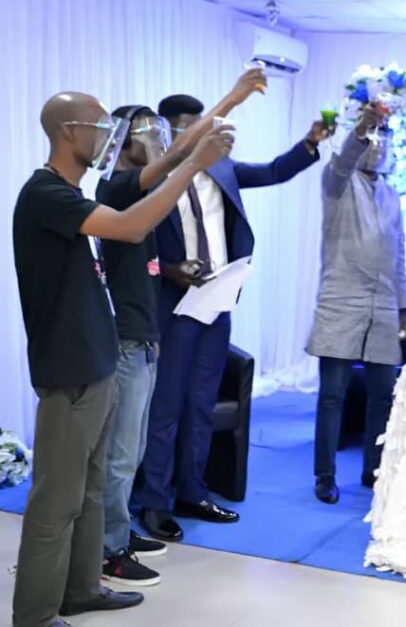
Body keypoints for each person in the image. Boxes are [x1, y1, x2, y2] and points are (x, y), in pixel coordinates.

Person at [12, 91, 233, 627]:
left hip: (97, 361)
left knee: (88, 491)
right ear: (69, 130)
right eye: (98, 126)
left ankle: (82, 588)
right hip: (70, 370)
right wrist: (193, 166)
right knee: (56, 498)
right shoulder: (45, 194)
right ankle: (36, 613)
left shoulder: (68, 193)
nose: (108, 136)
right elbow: (133, 225)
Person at [136, 91, 332, 542]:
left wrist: (309, 144)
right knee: (167, 407)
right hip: (174, 305)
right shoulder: (154, 179)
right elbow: (138, 243)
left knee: (201, 403)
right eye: (190, 124)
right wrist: (170, 271)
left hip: (217, 302)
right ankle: (155, 501)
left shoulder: (222, 170)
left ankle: (193, 491)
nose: (202, 130)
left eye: (202, 122)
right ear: (169, 130)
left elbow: (272, 172)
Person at [96, 70, 263, 587]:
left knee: (165, 421)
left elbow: (180, 155)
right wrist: (232, 98)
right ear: (123, 143)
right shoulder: (119, 183)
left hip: (158, 323)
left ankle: (160, 510)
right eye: (149, 133)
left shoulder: (147, 179)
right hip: (137, 328)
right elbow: (182, 156)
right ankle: (120, 537)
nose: (159, 142)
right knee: (132, 443)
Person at [307, 105, 406, 503]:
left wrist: (404, 306)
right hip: (341, 300)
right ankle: (325, 475)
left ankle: (374, 470)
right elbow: (345, 156)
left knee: (384, 394)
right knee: (333, 394)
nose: (377, 146)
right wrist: (364, 126)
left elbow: (400, 254)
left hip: (384, 305)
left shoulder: (393, 195)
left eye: (384, 138)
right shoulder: (338, 181)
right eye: (372, 138)